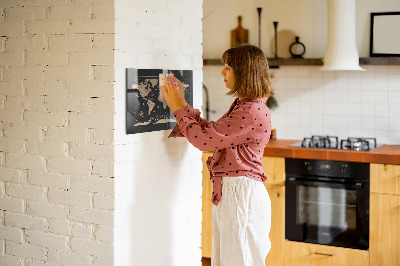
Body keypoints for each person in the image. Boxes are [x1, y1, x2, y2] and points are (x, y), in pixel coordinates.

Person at [161, 44, 273, 266]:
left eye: (228, 67)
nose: (222, 72)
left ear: (244, 72)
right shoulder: (246, 106)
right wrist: (182, 104)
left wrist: (176, 108)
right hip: (236, 193)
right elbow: (212, 133)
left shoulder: (250, 111)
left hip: (241, 195)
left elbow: (204, 141)